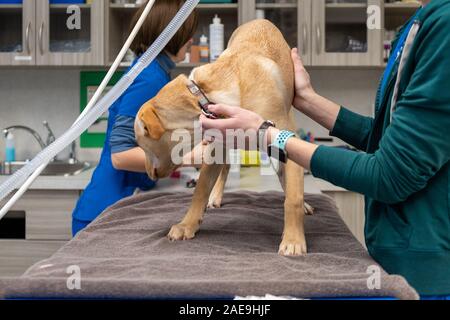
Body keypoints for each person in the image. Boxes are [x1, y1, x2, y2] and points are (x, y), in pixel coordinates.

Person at [200, 0, 449, 298]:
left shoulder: (444, 27)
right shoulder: (421, 22)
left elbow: (390, 174)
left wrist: (269, 136)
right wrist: (306, 100)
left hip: (426, 276)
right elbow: (384, 137)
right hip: (398, 259)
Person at [72, 0, 198, 236]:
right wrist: (188, 157)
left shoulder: (153, 71)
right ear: (169, 35)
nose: (192, 40)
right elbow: (120, 156)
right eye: (187, 33)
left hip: (114, 208)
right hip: (104, 215)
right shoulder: (149, 78)